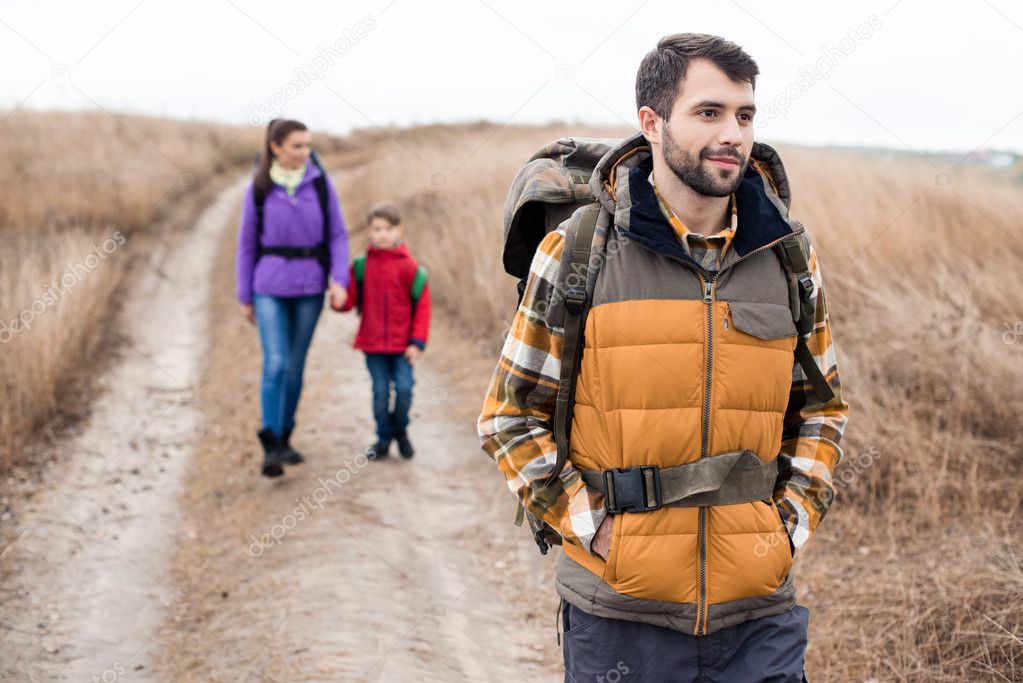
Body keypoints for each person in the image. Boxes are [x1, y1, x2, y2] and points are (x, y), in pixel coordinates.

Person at [478, 33, 850, 681]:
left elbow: (821, 407)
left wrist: (787, 527)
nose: (732, 133)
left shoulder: (788, 253)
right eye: (708, 112)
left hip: (758, 612)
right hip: (620, 614)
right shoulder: (576, 251)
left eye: (744, 114)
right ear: (651, 123)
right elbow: (509, 414)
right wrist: (591, 529)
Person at [236, 119, 350, 477]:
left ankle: (285, 436)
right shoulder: (258, 187)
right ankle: (270, 443)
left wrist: (340, 279)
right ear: (276, 147)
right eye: (297, 146)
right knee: (277, 363)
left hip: (309, 288)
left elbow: (338, 235)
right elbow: (247, 244)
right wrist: (245, 295)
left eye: (307, 145)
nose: (305, 152)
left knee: (296, 366)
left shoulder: (319, 183)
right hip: (268, 287)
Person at [341, 201, 431, 460]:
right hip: (372, 345)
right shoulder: (361, 266)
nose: (382, 233)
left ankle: (400, 432)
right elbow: (348, 302)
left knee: (404, 390)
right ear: (369, 231)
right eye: (377, 228)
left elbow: (423, 308)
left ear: (399, 230)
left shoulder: (410, 267)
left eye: (388, 228)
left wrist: (416, 342)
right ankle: (383, 438)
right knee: (380, 393)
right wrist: (337, 296)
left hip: (403, 346)